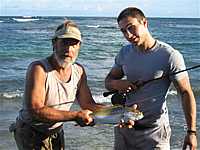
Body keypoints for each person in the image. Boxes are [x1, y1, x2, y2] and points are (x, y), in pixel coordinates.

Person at [105, 7, 197, 150]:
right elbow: (108, 81)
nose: (128, 35)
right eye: (123, 31)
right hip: (125, 129)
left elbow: (186, 93)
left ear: (145, 23)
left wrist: (191, 132)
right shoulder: (124, 53)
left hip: (155, 134)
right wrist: (118, 84)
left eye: (131, 28)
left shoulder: (170, 55)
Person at [12, 20, 105, 150]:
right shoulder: (39, 68)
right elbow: (35, 110)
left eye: (74, 44)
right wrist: (75, 115)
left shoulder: (79, 71)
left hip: (56, 130)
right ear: (54, 43)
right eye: (64, 43)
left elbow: (88, 104)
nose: (69, 49)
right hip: (31, 131)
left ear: (79, 46)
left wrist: (121, 113)